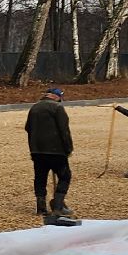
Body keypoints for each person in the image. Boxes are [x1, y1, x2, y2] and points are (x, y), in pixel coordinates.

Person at [25, 86, 74, 217]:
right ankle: (58, 206)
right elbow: (64, 130)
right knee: (65, 176)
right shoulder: (57, 108)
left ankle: (40, 208)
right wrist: (68, 148)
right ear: (55, 96)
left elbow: (28, 128)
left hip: (37, 151)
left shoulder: (34, 108)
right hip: (56, 151)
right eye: (60, 97)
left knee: (40, 178)